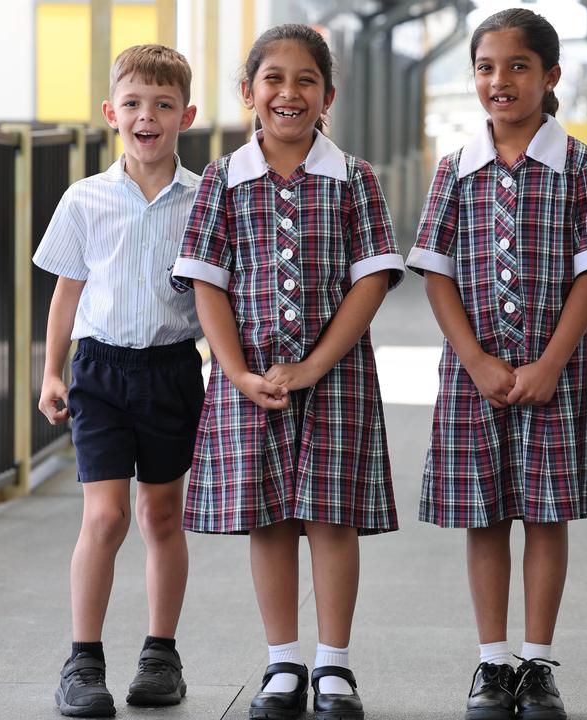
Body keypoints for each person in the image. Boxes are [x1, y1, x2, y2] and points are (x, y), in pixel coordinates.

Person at [172, 24, 404, 720]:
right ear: (249, 92)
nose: (288, 92)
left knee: (332, 518)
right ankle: (283, 663)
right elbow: (207, 280)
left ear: (327, 95)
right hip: (249, 384)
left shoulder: (355, 177)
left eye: (306, 80)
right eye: (273, 78)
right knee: (268, 519)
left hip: (336, 378)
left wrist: (311, 366)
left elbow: (370, 281)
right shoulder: (223, 177)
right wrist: (237, 373)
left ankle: (334, 666)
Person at [406, 9, 587, 720]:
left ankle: (538, 665)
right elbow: (436, 271)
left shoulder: (583, 166)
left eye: (517, 67)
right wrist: (473, 358)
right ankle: (491, 664)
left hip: (555, 376)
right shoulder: (455, 169)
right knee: (484, 515)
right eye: (485, 67)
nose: (499, 81)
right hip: (475, 380)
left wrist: (548, 364)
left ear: (550, 76)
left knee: (545, 515)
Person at [34, 44, 203, 718]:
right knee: (103, 517)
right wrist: (51, 370)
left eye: (163, 104)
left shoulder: (204, 201)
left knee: (161, 515)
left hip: (172, 373)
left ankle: (161, 655)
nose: (147, 115)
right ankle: (83, 662)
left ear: (186, 115)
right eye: (133, 103)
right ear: (111, 113)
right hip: (99, 372)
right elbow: (66, 295)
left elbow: (215, 298)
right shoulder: (86, 199)